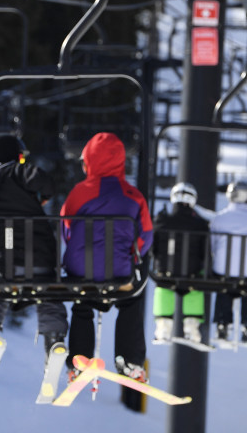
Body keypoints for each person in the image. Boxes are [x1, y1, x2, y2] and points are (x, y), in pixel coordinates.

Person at [0, 134, 67, 364]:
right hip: (40, 263)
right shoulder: (20, 172)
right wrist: (40, 198)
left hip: (3, 266)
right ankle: (54, 339)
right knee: (49, 295)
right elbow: (47, 183)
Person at [61, 132, 153, 383]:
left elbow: (66, 228)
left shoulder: (79, 193)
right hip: (120, 269)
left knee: (83, 305)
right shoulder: (134, 196)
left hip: (81, 269)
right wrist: (135, 256)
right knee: (131, 300)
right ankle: (130, 360)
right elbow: (145, 236)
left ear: (88, 162)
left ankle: (80, 362)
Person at [211, 181, 247, 345]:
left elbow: (212, 245)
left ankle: (223, 324)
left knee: (224, 288)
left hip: (223, 271)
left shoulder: (219, 219)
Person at [151, 182, 210, 345]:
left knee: (163, 289)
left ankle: (163, 327)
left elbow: (154, 247)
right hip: (192, 275)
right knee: (194, 290)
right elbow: (204, 252)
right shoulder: (201, 225)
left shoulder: (162, 221)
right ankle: (192, 327)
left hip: (165, 274)